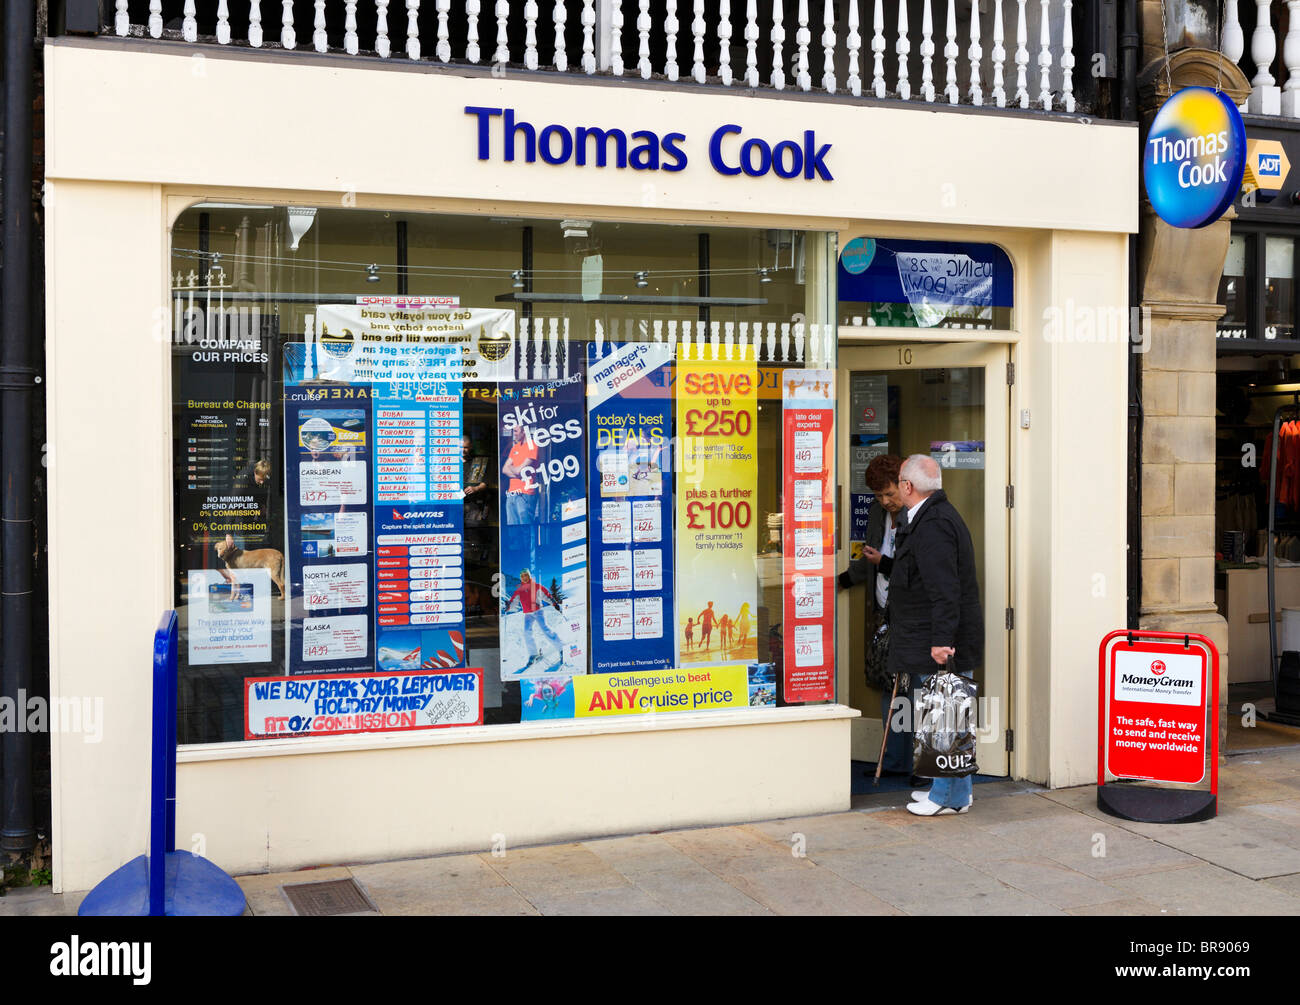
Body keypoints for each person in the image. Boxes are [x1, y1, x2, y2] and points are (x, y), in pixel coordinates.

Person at [887, 454, 984, 816]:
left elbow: (945, 589)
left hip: (942, 641)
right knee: (948, 714)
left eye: (899, 481)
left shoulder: (934, 524)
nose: (897, 487)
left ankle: (946, 797)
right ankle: (958, 794)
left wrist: (943, 642)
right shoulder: (932, 517)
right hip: (936, 636)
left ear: (907, 486)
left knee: (944, 717)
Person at [836, 454, 912, 778]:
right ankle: (893, 760)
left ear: (905, 486)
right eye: (879, 495)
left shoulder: (917, 516)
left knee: (910, 688)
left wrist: (882, 562)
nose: (886, 501)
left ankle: (913, 762)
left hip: (910, 612)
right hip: (883, 611)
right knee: (889, 684)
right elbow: (868, 558)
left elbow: (914, 571)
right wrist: (842, 580)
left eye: (890, 493)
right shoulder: (876, 512)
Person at [505, 569, 564, 672]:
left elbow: (546, 595)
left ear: (529, 576)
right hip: (528, 614)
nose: (524, 577)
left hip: (538, 611)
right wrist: (508, 606)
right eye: (522, 576)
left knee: (545, 629)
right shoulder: (519, 590)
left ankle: (562, 649)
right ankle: (533, 654)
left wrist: (554, 603)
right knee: (527, 632)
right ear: (521, 578)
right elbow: (514, 601)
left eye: (526, 575)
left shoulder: (535, 586)